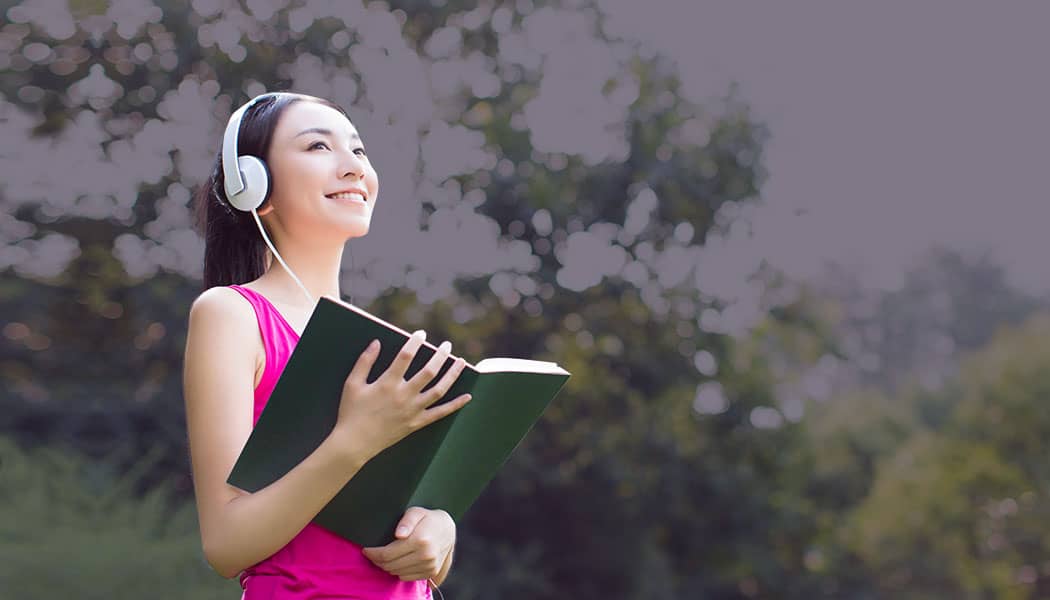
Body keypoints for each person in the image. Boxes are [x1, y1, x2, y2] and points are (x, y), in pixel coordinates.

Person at [183, 91, 472, 599]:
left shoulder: (379, 347)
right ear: (256, 188)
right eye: (318, 147)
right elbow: (227, 546)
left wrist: (438, 535)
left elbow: (395, 514)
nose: (353, 167)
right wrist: (356, 439)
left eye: (359, 151)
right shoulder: (231, 315)